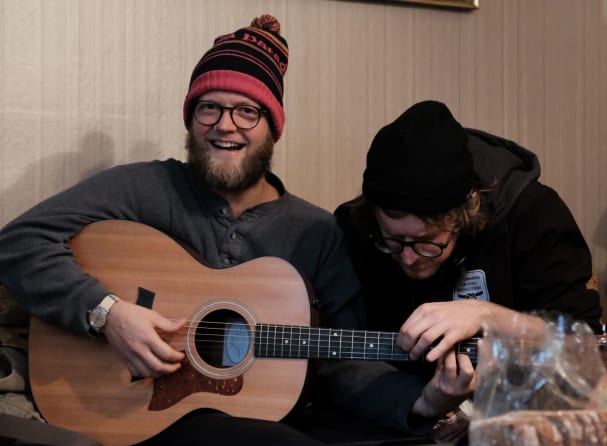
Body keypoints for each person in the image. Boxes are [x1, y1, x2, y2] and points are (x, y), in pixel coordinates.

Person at [0, 15, 364, 446]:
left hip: (244, 419)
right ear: (191, 117)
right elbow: (17, 242)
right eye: (209, 106)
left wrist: (422, 402)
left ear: (273, 127)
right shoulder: (142, 187)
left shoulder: (315, 230)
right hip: (123, 408)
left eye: (247, 111)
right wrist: (108, 314)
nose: (225, 125)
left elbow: (348, 353)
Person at [325, 100, 603, 441]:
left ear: (469, 207)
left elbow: (584, 343)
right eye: (394, 241)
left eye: (428, 242)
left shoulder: (533, 215)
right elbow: (339, 362)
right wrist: (424, 404)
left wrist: (487, 316)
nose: (409, 258)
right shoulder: (353, 227)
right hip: (397, 415)